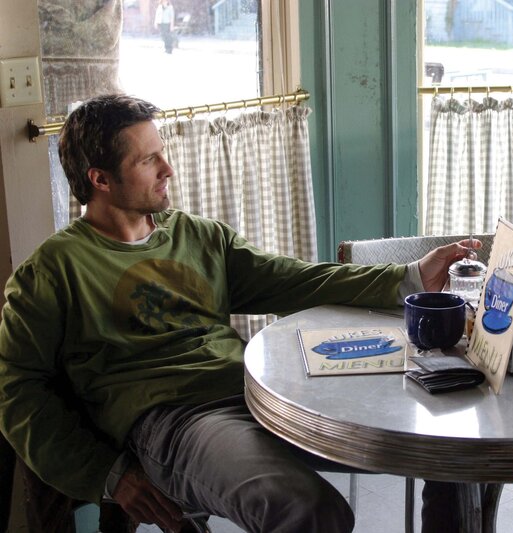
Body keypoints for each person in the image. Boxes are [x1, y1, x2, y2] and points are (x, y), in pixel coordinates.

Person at [0, 94, 478, 533]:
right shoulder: (53, 270)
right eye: (148, 160)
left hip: (260, 389)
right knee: (310, 511)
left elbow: (293, 279)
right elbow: (18, 393)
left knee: (449, 447)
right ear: (100, 180)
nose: (168, 169)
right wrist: (109, 475)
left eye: (162, 153)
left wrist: (411, 276)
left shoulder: (198, 236)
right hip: (177, 421)